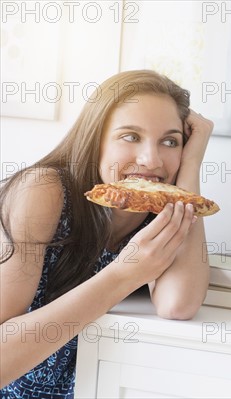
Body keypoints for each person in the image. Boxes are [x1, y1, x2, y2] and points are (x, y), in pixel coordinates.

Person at [0, 70, 213, 398]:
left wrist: (192, 164)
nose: (151, 160)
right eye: (130, 136)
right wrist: (125, 274)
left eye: (170, 141)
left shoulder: (156, 213)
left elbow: (177, 304)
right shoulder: (44, 190)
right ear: (96, 138)